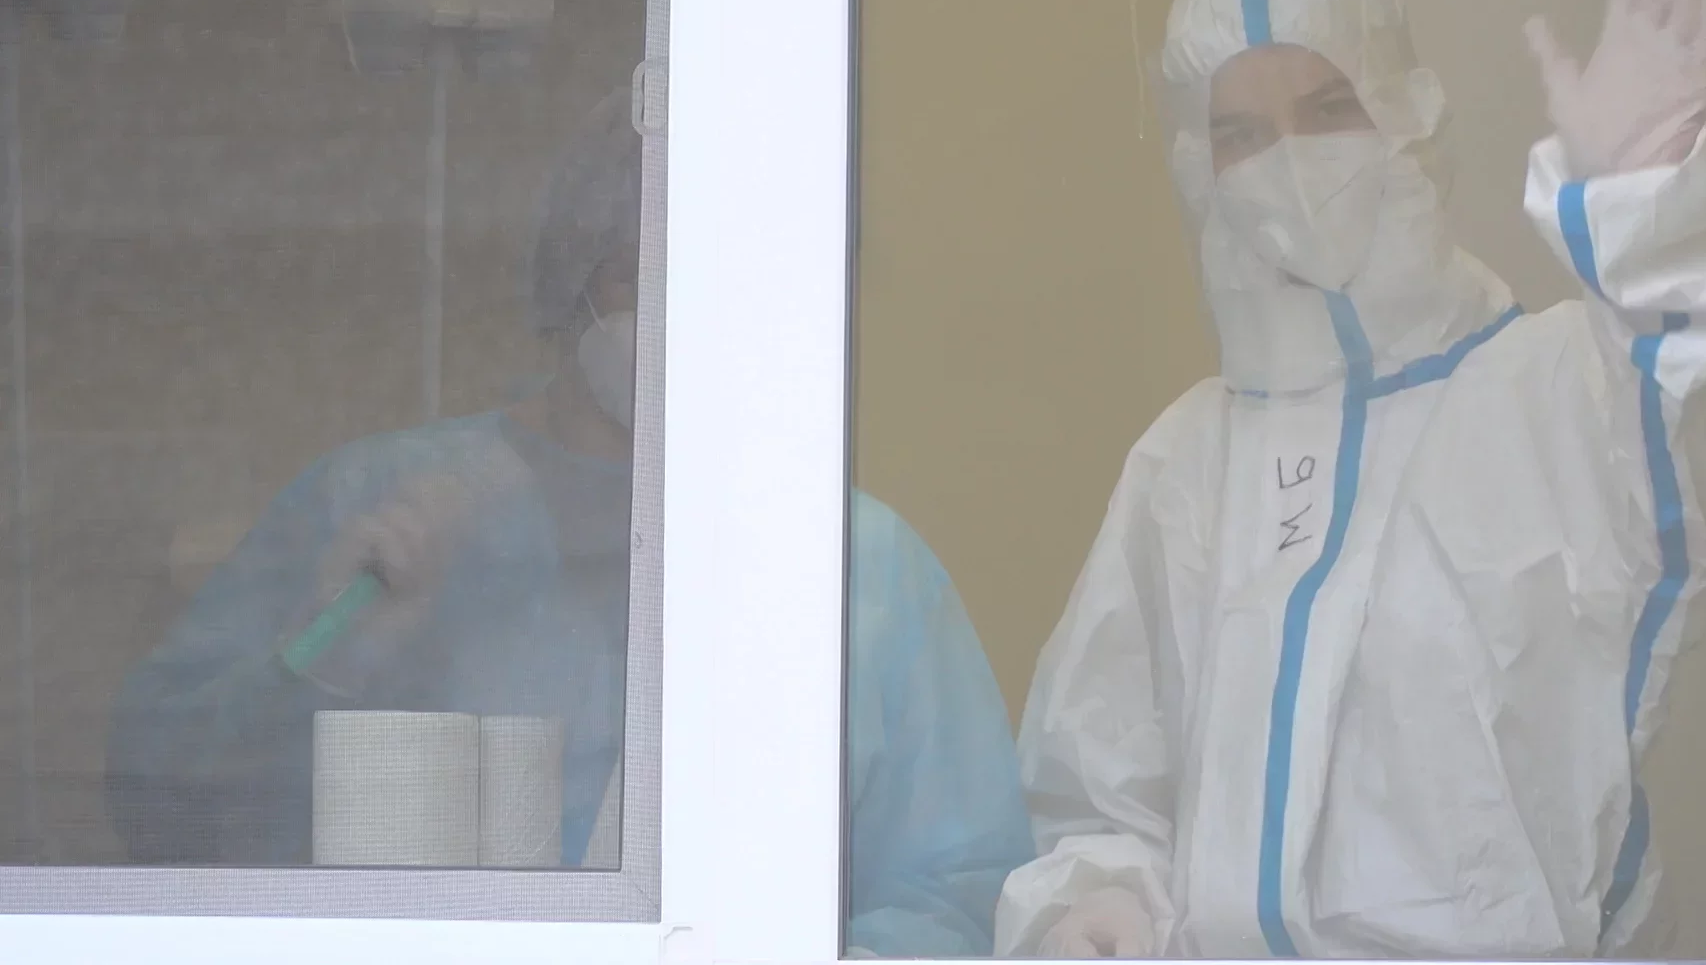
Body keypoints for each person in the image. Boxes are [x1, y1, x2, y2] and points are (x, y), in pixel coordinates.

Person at [995, 0, 1706, 959]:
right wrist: (1098, 897)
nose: (1288, 162)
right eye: (1240, 134)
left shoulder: (1559, 393)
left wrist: (1656, 216)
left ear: (1405, 113)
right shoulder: (1185, 462)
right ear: (1197, 167)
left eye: (1328, 108)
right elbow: (1101, 777)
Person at [107, 85, 1032, 955]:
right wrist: (327, 657)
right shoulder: (372, 502)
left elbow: (955, 896)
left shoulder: (858, 565)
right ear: (570, 282)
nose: (683, 311)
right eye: (643, 273)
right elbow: (155, 809)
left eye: (728, 279)